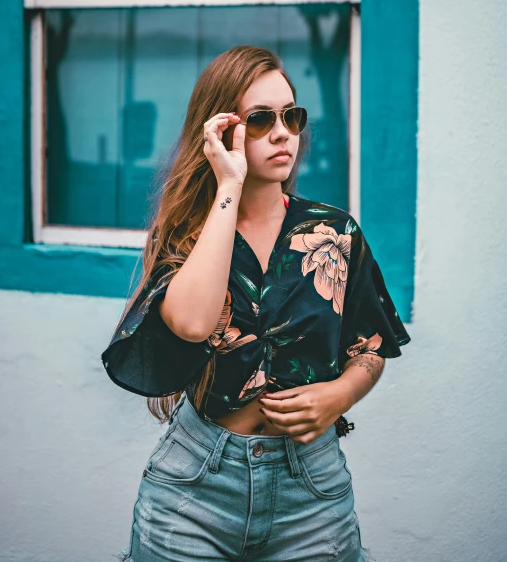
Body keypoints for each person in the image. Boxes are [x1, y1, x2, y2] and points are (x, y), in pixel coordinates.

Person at [101, 45, 411, 562]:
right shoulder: (189, 234)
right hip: (196, 486)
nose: (283, 131)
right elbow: (194, 323)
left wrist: (341, 395)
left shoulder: (334, 232)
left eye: (292, 115)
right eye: (261, 119)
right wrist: (229, 182)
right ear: (222, 130)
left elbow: (371, 346)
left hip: (310, 489)